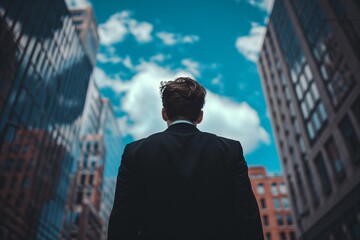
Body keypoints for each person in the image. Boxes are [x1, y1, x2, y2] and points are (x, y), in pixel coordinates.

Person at [108, 77, 264, 240]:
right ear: (200, 116)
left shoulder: (135, 152)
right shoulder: (230, 150)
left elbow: (122, 221)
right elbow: (248, 219)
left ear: (164, 113)